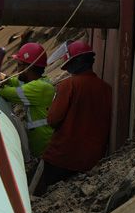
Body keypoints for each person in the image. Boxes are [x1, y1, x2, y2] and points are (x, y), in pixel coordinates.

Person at [34, 40, 112, 194]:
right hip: (91, 160)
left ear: (75, 63)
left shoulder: (68, 85)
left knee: (43, 195)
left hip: (61, 156)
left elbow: (53, 119)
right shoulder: (106, 89)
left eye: (69, 65)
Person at [0, 42, 55, 164]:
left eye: (19, 65)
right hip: (44, 149)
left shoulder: (39, 88)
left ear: (27, 67)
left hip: (47, 151)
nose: (17, 69)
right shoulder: (41, 83)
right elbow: (19, 84)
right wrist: (6, 78)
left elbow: (8, 93)